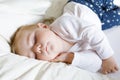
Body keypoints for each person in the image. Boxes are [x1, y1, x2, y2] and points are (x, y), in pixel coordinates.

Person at [10, 2, 119, 74]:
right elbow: (96, 63)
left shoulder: (63, 25)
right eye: (34, 55)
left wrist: (107, 58)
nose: (37, 49)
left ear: (44, 26)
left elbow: (92, 32)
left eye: (34, 40)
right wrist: (70, 57)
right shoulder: (64, 57)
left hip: (87, 4)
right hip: (100, 20)